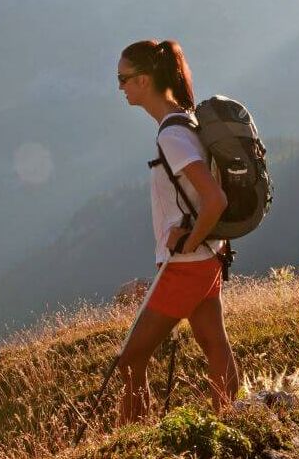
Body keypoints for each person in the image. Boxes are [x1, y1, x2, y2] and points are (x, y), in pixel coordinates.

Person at [111, 39, 241, 422]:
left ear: (145, 80)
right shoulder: (189, 122)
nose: (120, 87)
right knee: (214, 344)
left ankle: (133, 441)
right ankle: (228, 421)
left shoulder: (172, 135)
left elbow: (214, 199)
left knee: (131, 359)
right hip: (208, 256)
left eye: (123, 79)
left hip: (187, 263)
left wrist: (188, 240)